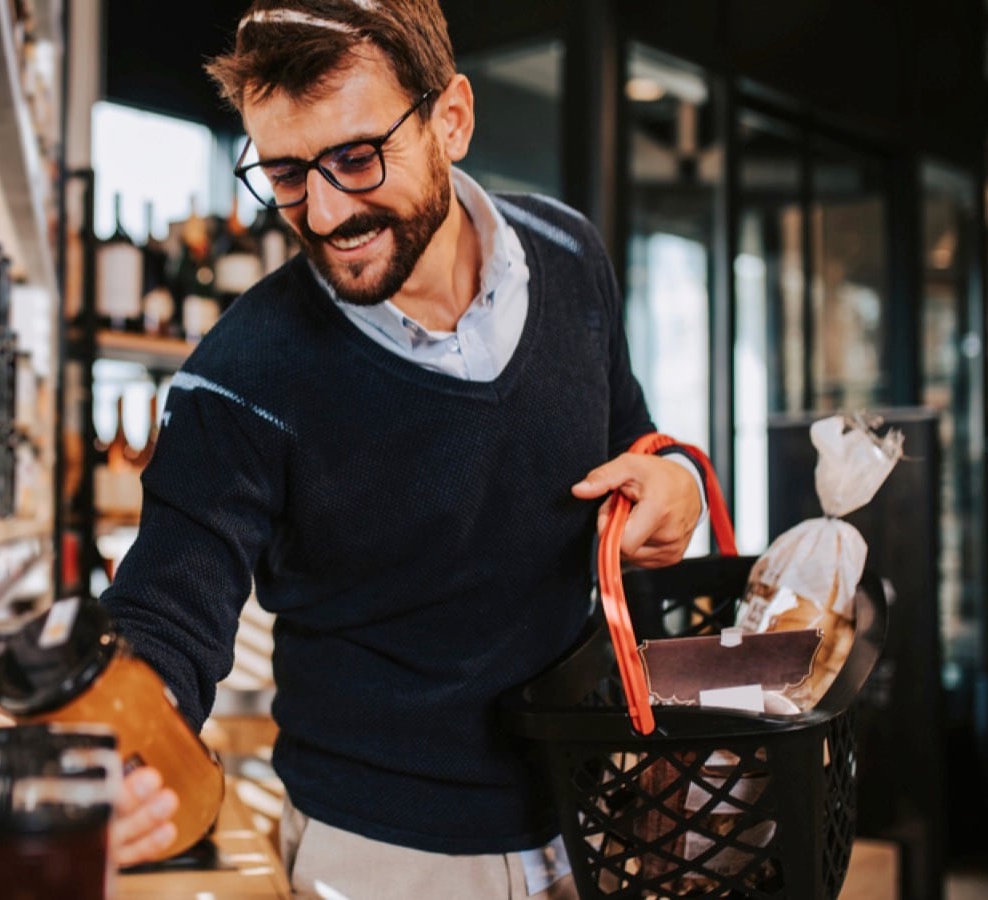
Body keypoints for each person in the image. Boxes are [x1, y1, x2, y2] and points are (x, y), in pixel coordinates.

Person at [104, 0, 705, 895]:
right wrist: (120, 752)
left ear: (450, 119)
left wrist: (677, 484)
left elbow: (635, 439)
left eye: (355, 157)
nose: (326, 210)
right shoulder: (239, 372)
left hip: (587, 821)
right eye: (287, 173)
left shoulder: (570, 254)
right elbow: (164, 616)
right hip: (377, 858)